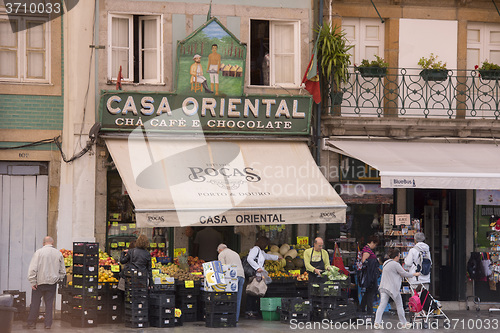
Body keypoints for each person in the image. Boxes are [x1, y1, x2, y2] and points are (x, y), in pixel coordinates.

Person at [374, 248, 420, 329]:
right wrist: (414, 274)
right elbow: (404, 274)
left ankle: (377, 322)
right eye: (399, 256)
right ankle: (404, 323)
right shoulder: (395, 264)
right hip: (392, 288)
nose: (399, 257)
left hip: (383, 287)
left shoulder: (385, 263)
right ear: (396, 256)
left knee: (382, 305)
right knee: (399, 305)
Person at [26, 236, 66, 329]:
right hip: (52, 283)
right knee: (49, 304)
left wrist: (33, 281)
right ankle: (48, 324)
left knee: (35, 303)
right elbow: (63, 271)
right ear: (53, 243)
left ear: (43, 243)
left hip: (39, 283)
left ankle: (31, 323)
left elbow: (32, 269)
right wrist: (57, 278)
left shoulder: (38, 253)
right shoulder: (58, 253)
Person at [245, 236, 279, 319]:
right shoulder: (255, 249)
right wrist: (257, 268)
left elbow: (266, 256)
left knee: (257, 292)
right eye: (266, 244)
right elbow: (249, 259)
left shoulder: (260, 251)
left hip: (258, 275)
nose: (267, 246)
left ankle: (255, 311)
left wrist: (277, 258)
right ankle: (249, 311)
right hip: (254, 274)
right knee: (252, 292)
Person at [217, 244, 245, 322]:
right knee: (237, 298)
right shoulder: (235, 253)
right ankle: (235, 318)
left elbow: (222, 267)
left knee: (228, 297)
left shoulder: (222, 254)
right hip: (241, 276)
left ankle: (226, 316)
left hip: (232, 277)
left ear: (220, 250)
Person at [359, 235, 380, 314]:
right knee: (370, 292)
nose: (375, 246)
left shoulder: (367, 249)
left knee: (368, 292)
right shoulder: (367, 250)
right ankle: (369, 311)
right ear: (372, 242)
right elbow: (364, 261)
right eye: (375, 244)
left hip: (370, 274)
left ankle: (362, 308)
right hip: (369, 275)